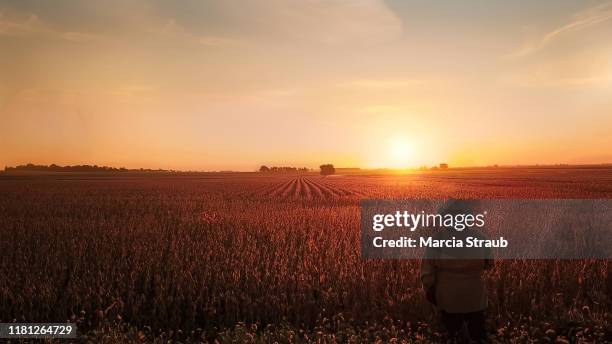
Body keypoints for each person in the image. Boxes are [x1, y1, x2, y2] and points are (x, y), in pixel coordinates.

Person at [420, 200, 493, 343]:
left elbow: (427, 274)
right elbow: (489, 264)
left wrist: (429, 290)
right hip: (475, 296)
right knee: (478, 334)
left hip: (448, 298)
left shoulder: (436, 239)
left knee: (452, 335)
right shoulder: (481, 238)